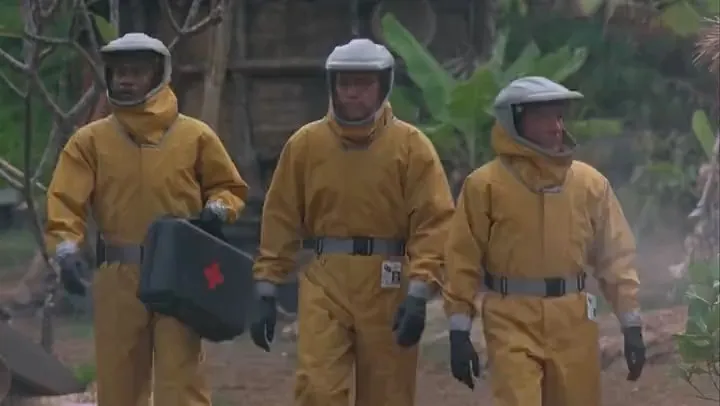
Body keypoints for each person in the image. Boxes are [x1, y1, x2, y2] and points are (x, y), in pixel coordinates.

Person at [44, 33, 248, 406]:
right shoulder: (89, 141)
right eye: (120, 71)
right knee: (118, 383)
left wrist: (218, 208)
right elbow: (65, 201)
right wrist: (66, 249)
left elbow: (228, 186)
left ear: (158, 75)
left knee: (181, 382)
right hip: (119, 274)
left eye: (136, 72)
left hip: (180, 273)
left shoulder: (194, 135)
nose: (126, 79)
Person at [249, 38, 455, 406]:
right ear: (332, 86)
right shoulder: (306, 145)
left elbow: (434, 222)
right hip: (325, 277)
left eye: (363, 83)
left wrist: (420, 291)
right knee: (317, 388)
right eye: (345, 83)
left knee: (389, 393)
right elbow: (280, 216)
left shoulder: (411, 146)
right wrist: (266, 287)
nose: (352, 93)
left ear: (383, 86)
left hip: (388, 282)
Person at [443, 76, 646, 406]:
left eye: (559, 116)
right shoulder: (484, 186)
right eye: (543, 117)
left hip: (574, 320)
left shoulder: (590, 183)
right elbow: (461, 259)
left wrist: (631, 324)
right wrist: (458, 329)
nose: (556, 127)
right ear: (514, 121)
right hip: (509, 318)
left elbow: (616, 256)